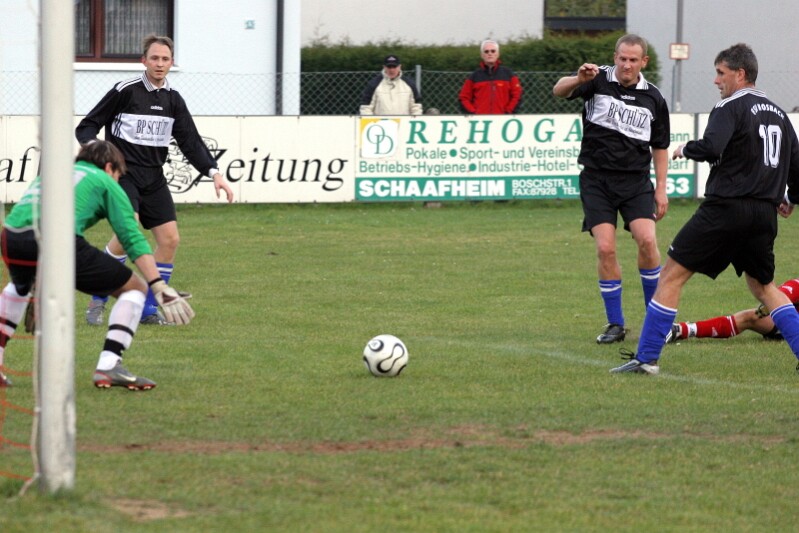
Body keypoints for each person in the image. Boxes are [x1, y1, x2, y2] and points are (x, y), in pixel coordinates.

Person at [611, 43, 799, 375]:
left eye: (721, 73)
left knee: (671, 275)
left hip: (725, 209)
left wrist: (686, 148)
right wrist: (790, 199)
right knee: (764, 287)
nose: (716, 80)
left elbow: (712, 147)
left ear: (740, 74)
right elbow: (796, 171)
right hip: (764, 215)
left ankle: (647, 359)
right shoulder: (781, 115)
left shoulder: (730, 105)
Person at [0, 141, 194, 389]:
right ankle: (109, 366)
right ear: (110, 167)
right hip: (55, 240)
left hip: (10, 237)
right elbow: (131, 237)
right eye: (118, 175)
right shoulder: (103, 180)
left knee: (19, 288)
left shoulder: (53, 174)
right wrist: (157, 285)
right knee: (134, 288)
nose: (118, 180)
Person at [76, 34, 233, 327]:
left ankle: (148, 309)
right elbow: (86, 127)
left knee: (170, 239)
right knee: (129, 230)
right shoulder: (125, 91)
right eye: (154, 58)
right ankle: (98, 297)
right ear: (144, 61)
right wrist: (100, 155)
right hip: (124, 175)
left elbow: (190, 141)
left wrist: (215, 173)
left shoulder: (173, 100)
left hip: (154, 178)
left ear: (171, 63)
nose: (159, 64)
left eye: (165, 59)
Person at [552, 34, 670, 344]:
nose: (627, 65)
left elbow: (660, 146)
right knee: (606, 248)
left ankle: (655, 320)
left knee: (647, 240)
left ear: (643, 62)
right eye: (622, 58)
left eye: (633, 60)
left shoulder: (654, 97)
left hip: (635, 182)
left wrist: (661, 188)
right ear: (615, 57)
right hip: (597, 181)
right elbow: (559, 90)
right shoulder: (597, 78)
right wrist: (577, 79)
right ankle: (615, 324)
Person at [668, 278, 799, 342]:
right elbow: (773, 300)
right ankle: (680, 330)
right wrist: (761, 313)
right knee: (750, 317)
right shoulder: (796, 285)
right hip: (789, 325)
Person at [459, 39, 522, 115]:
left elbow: (517, 95)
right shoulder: (474, 76)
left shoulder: (508, 74)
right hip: (481, 120)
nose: (490, 53)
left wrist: (508, 112)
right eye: (486, 51)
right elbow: (463, 98)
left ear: (498, 54)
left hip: (503, 119)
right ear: (482, 55)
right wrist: (474, 113)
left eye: (493, 51)